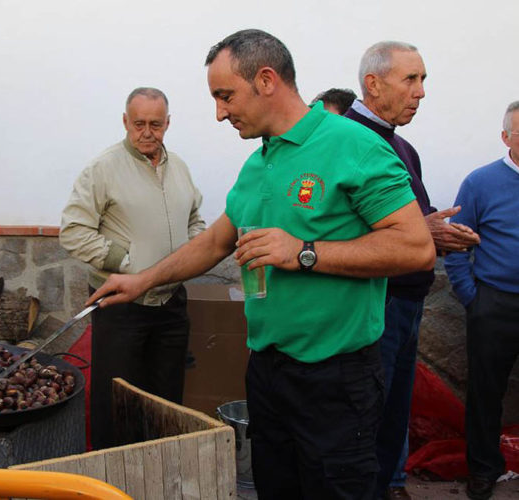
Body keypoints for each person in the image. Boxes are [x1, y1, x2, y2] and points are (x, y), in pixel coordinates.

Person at [89, 29, 436, 499]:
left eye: (225, 96)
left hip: (336, 378)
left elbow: (415, 248)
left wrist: (305, 251)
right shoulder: (258, 164)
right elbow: (215, 241)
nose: (219, 113)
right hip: (268, 375)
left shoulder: (353, 145)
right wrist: (141, 281)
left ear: (267, 80)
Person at [343, 41, 480, 500]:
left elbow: (411, 217)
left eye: (423, 80)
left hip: (407, 301)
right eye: (411, 79)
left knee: (395, 410)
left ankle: (391, 483)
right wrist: (423, 233)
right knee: (368, 414)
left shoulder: (402, 145)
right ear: (373, 83)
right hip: (373, 302)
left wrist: (440, 230)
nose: (421, 92)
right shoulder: (345, 141)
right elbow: (340, 230)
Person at [59, 87, 205, 450]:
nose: (147, 132)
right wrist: (125, 261)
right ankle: (110, 480)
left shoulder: (180, 168)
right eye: (138, 123)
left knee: (167, 400)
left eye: (156, 124)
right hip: (122, 306)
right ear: (125, 121)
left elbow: (196, 219)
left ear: (168, 123)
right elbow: (73, 231)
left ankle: (161, 472)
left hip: (171, 302)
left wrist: (190, 252)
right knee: (116, 402)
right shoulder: (103, 168)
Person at [444, 100, 519, 500]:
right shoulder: (480, 182)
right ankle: (484, 470)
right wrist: (473, 298)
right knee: (486, 393)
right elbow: (455, 246)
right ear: (506, 137)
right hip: (495, 303)